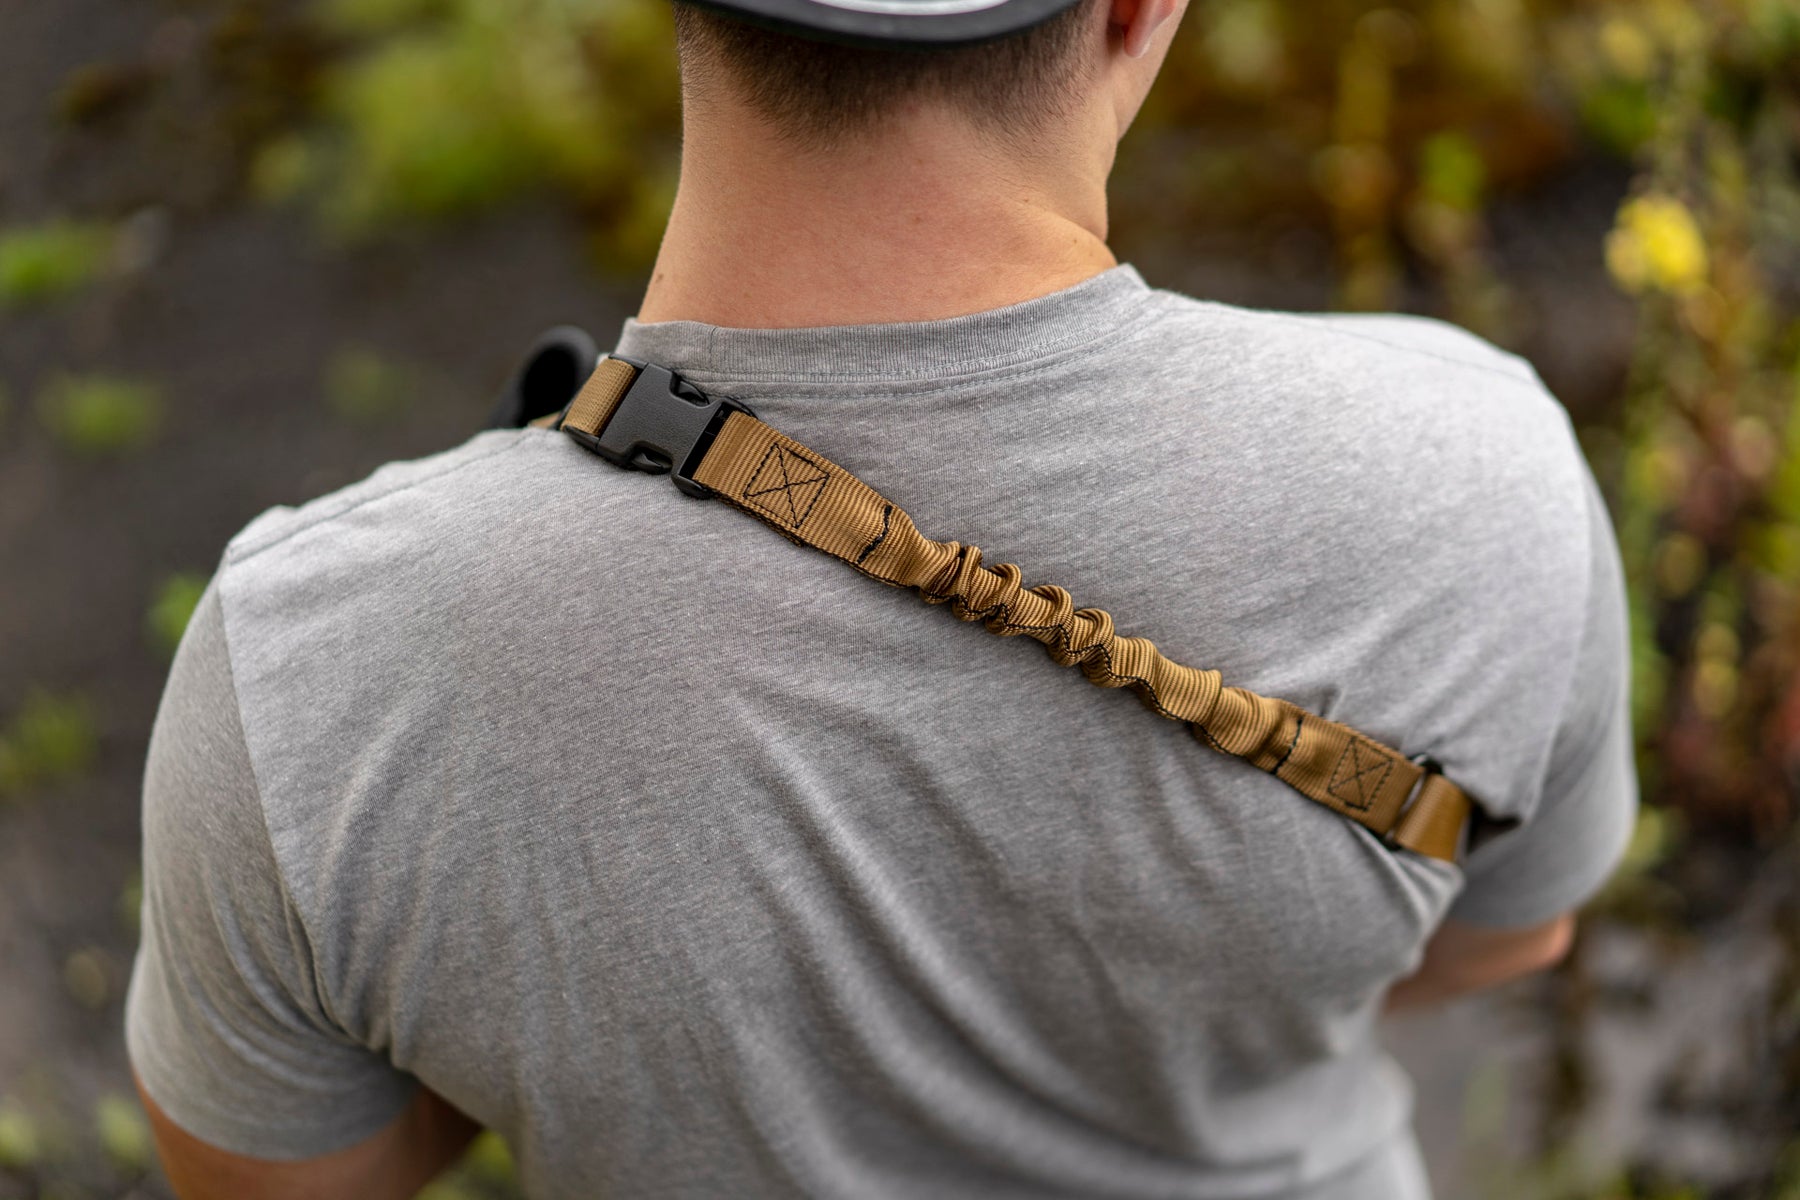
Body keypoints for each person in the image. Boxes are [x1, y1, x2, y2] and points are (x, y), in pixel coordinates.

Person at [123, 0, 1638, 1195]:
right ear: (1140, 5)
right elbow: (1508, 939)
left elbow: (282, 1185)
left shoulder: (310, 665)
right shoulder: (1478, 466)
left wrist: (516, 979)